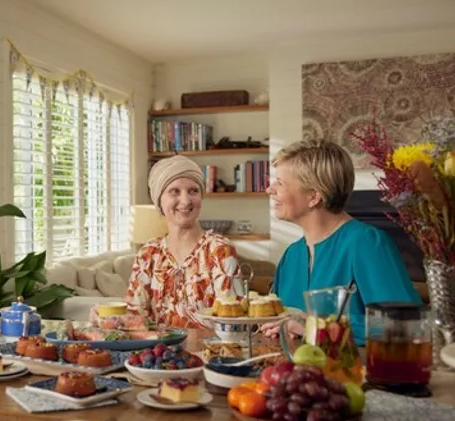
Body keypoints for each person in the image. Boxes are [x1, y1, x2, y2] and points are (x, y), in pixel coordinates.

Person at [260, 139, 421, 345]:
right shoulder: (292, 255)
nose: (269, 190)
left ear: (314, 196)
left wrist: (316, 327)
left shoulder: (367, 243)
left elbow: (404, 326)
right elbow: (283, 322)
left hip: (355, 373)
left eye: (280, 183)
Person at [125, 155, 241, 329]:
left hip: (211, 354)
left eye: (193, 191)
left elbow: (232, 322)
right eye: (174, 191)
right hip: (157, 354)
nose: (186, 201)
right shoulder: (148, 254)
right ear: (159, 200)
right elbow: (133, 319)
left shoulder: (219, 250)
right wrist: (107, 319)